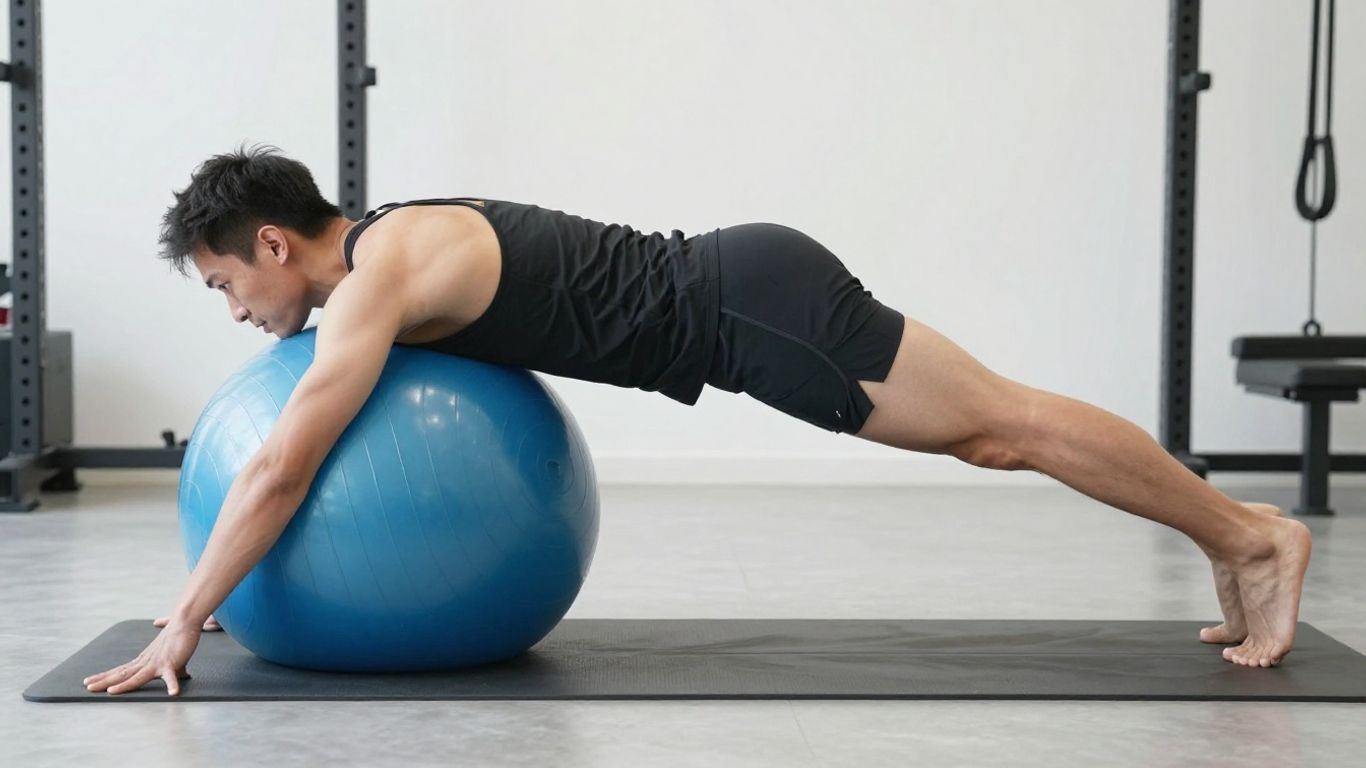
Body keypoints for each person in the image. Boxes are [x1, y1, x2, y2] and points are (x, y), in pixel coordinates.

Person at [83, 145, 1311, 696]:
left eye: (225, 284)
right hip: (742, 294)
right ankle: (1228, 533)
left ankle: (1250, 535)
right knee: (1000, 427)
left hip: (749, 308)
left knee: (1000, 429)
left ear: (274, 243)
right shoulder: (384, 250)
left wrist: (186, 617)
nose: (234, 313)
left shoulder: (376, 281)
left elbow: (285, 463)